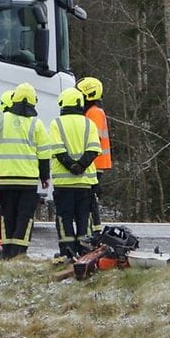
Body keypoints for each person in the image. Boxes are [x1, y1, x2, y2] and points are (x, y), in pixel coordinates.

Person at [0, 82, 51, 259]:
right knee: (24, 218)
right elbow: (44, 153)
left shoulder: (1, 120)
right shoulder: (36, 124)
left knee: (7, 216)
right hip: (28, 181)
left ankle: (7, 252)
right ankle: (19, 253)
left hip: (6, 180)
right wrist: (44, 176)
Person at [48, 87, 101, 259]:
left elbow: (58, 150)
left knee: (64, 217)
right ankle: (84, 250)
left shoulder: (56, 124)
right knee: (84, 217)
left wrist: (71, 166)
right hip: (85, 182)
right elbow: (93, 150)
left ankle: (67, 251)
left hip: (64, 183)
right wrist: (81, 166)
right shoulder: (89, 123)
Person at [75, 76, 112, 236]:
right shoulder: (91, 111)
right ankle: (93, 233)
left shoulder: (95, 113)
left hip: (94, 163)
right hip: (93, 163)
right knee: (89, 201)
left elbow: (92, 140)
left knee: (89, 201)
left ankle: (94, 234)